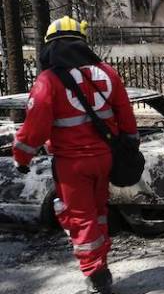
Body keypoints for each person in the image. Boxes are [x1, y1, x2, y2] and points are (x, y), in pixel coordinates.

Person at [12, 16, 138, 294]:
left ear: (50, 46)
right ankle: (101, 259)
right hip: (105, 159)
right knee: (99, 212)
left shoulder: (48, 80)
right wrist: (131, 144)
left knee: (80, 217)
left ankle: (96, 274)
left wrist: (21, 157)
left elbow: (34, 128)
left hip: (72, 164)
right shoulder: (107, 72)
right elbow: (126, 115)